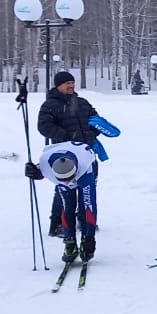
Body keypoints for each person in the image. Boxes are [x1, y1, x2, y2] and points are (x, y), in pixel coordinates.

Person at [37, 71, 100, 236]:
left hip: (86, 154)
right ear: (58, 86)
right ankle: (57, 223)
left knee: (88, 187)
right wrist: (65, 135)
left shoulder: (82, 102)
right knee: (64, 189)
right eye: (67, 83)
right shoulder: (50, 105)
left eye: (72, 82)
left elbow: (95, 120)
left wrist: (93, 132)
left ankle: (84, 220)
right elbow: (43, 126)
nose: (71, 86)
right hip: (63, 155)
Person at [25, 141, 98, 264]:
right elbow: (39, 171)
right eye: (63, 180)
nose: (68, 183)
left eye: (70, 179)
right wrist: (33, 172)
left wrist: (90, 238)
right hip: (61, 155)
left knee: (85, 204)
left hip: (86, 166)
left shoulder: (85, 166)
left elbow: (89, 205)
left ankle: (86, 240)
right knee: (67, 205)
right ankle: (69, 242)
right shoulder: (45, 164)